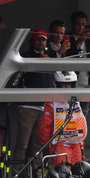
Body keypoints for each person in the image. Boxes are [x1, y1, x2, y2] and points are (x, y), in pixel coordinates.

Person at [15, 29, 54, 170]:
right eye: (38, 39)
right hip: (28, 106)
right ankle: (16, 172)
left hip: (45, 106)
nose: (41, 42)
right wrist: (39, 61)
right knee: (22, 143)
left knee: (39, 145)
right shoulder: (24, 56)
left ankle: (38, 173)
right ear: (32, 41)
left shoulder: (50, 57)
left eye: (43, 39)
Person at [38, 71, 87, 166]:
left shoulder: (76, 102)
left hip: (76, 145)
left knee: (78, 174)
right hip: (60, 145)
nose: (67, 87)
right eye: (64, 84)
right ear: (57, 85)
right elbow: (44, 129)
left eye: (69, 84)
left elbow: (79, 126)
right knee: (62, 174)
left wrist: (81, 147)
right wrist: (50, 147)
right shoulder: (52, 104)